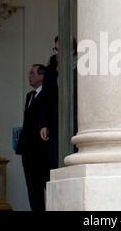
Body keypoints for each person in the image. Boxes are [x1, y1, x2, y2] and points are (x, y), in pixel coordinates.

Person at [40, 36, 77, 169]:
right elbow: (45, 98)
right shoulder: (50, 71)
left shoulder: (82, 67)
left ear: (71, 50)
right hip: (56, 122)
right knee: (56, 161)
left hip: (77, 120)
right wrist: (44, 124)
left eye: (58, 50)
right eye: (55, 49)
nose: (55, 53)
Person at [16, 64, 50, 211]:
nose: (29, 76)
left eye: (32, 73)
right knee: (32, 187)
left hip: (42, 149)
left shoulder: (48, 94)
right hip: (27, 149)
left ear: (42, 76)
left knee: (46, 184)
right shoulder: (29, 96)